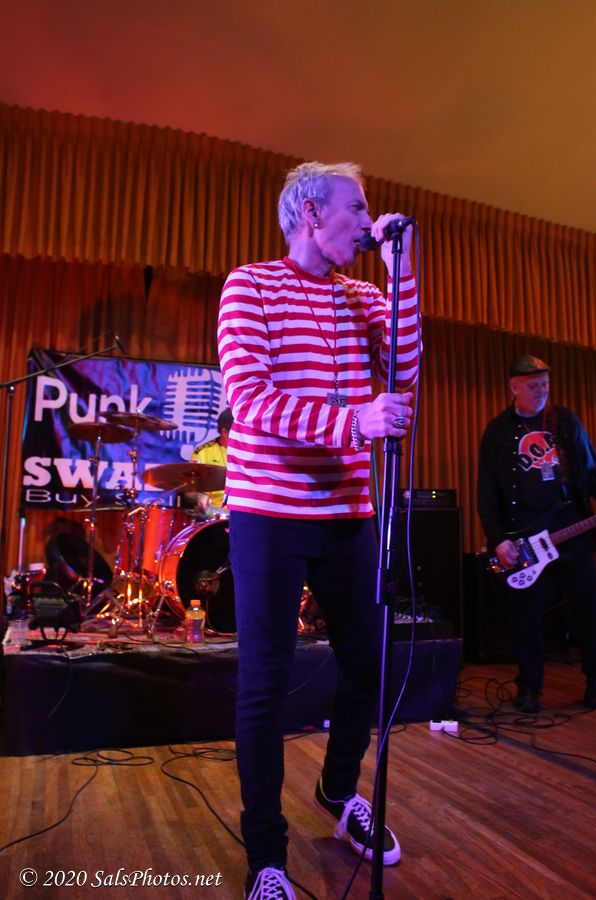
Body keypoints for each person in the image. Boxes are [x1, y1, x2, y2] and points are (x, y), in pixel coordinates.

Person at [217, 161, 419, 899]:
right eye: (357, 207)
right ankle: (266, 856)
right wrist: (352, 421)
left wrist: (401, 272)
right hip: (269, 513)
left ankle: (337, 791)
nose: (368, 220)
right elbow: (249, 399)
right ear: (309, 212)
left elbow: (405, 368)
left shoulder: (364, 295)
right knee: (264, 683)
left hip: (349, 511)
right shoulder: (250, 285)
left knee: (371, 666)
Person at [477, 354, 596, 714]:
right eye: (533, 386)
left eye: (545, 384)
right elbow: (487, 491)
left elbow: (592, 470)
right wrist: (498, 538)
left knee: (589, 610)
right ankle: (529, 688)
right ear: (514, 386)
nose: (541, 391)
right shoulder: (498, 432)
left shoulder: (565, 421)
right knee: (526, 616)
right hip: (525, 538)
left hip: (572, 530)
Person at [186, 407, 233, 515]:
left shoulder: (251, 453)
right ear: (225, 432)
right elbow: (189, 490)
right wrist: (199, 497)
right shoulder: (203, 452)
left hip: (242, 510)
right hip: (213, 512)